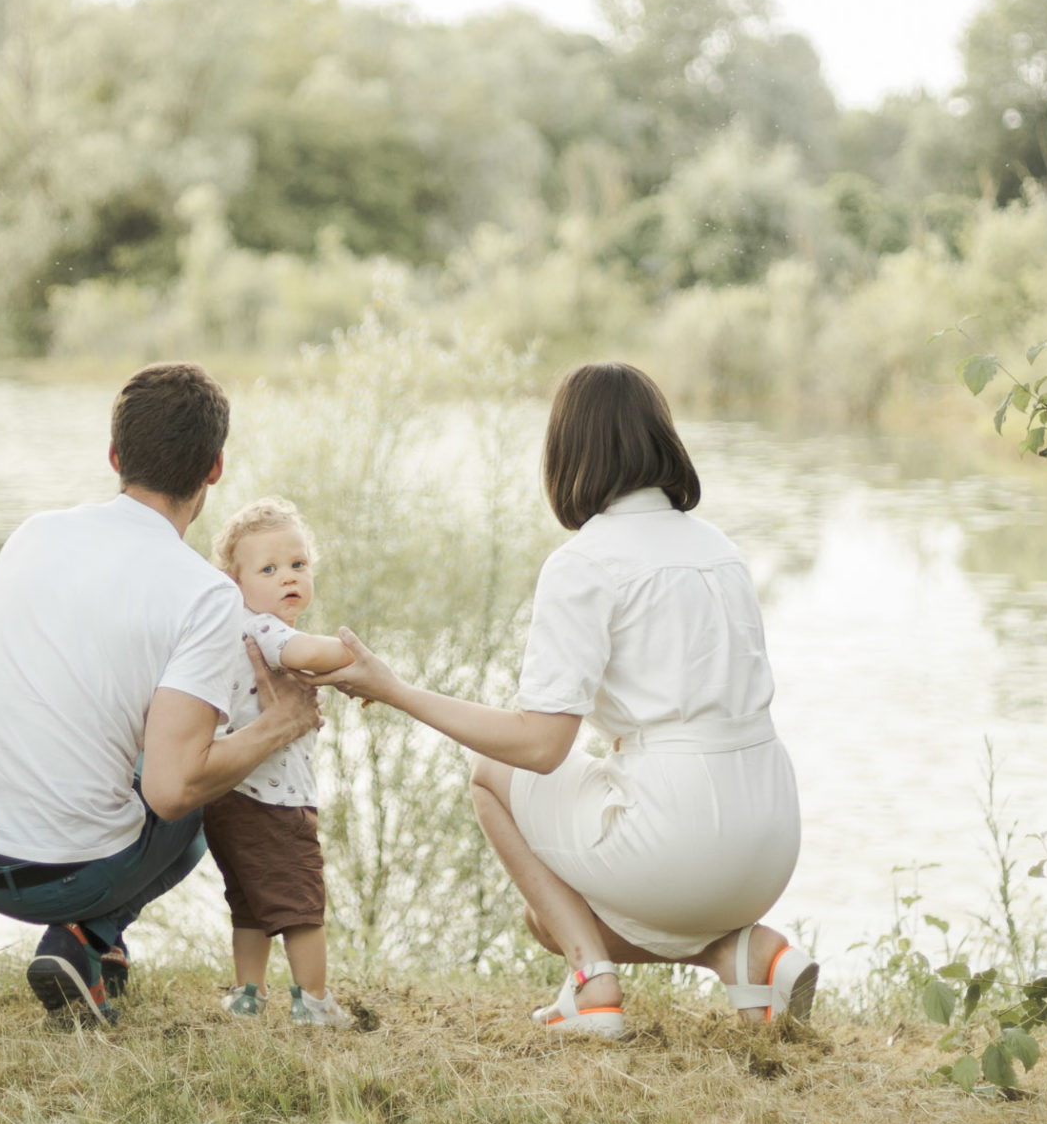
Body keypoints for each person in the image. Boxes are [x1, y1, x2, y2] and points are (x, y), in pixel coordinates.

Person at [321, 362, 809, 1039]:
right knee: (541, 916)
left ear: (568, 453)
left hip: (682, 833)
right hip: (772, 831)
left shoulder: (585, 561)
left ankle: (593, 982)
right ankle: (736, 953)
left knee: (491, 777)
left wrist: (396, 690)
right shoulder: (720, 549)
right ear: (660, 439)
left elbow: (541, 746)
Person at [0, 362, 322, 1026]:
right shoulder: (205, 592)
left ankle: (89, 946)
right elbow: (174, 790)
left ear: (115, 456)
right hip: (60, 874)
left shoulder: (34, 533)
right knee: (206, 786)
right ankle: (86, 936)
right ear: (216, 468)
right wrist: (279, 725)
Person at [203, 497, 355, 1027]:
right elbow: (308, 654)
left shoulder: (235, 630)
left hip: (229, 793)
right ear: (235, 581)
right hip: (275, 799)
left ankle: (249, 992)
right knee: (301, 904)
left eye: (298, 565)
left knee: (248, 901)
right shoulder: (267, 630)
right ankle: (313, 1000)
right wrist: (351, 656)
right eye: (268, 569)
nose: (287, 577)